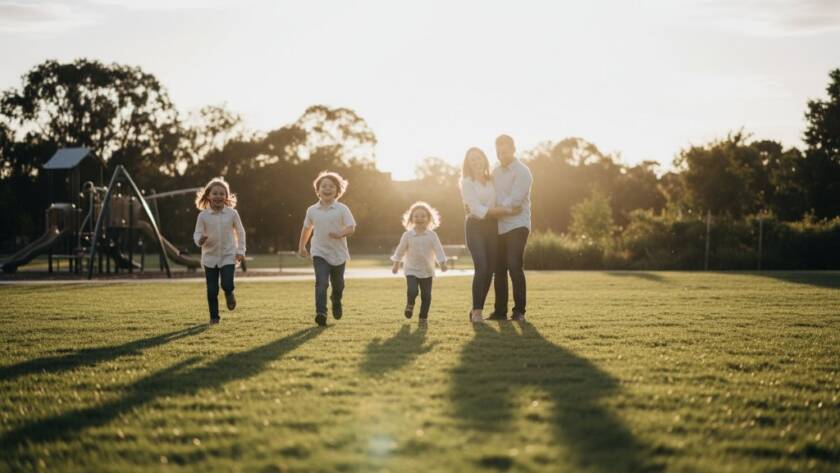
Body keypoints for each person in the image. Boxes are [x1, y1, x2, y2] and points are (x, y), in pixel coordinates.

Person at [459, 147, 521, 323]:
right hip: (475, 227)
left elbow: (503, 195)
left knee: (490, 270)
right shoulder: (466, 182)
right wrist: (506, 210)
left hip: (492, 227)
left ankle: (475, 308)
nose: (476, 162)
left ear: (485, 160)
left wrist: (509, 207)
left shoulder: (492, 179)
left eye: (478, 158)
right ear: (468, 164)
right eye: (472, 160)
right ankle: (478, 312)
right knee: (481, 266)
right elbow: (476, 209)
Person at [298, 171, 356, 327]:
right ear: (318, 190)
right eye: (324, 186)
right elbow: (307, 229)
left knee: (338, 285)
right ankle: (321, 313)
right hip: (319, 252)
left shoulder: (342, 209)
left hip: (339, 254)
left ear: (337, 191)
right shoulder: (312, 210)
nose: (327, 188)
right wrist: (302, 246)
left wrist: (340, 234)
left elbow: (351, 227)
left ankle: (336, 300)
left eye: (331, 186)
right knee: (321, 282)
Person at [490, 135, 532, 321]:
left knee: (514, 266)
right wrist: (496, 211)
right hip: (499, 226)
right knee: (499, 269)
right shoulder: (495, 172)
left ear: (513, 149)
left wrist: (494, 211)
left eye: (505, 150)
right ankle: (499, 312)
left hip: (518, 225)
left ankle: (519, 311)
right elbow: (495, 199)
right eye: (498, 151)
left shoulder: (523, 172)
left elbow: (515, 201)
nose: (501, 154)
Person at [193, 177, 246, 325]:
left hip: (228, 255)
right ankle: (214, 317)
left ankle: (229, 293)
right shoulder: (203, 216)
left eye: (222, 194)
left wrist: (240, 250)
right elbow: (197, 234)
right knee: (212, 290)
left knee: (227, 284)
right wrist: (200, 240)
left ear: (226, 197)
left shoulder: (232, 214)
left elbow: (241, 232)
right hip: (210, 258)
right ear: (208, 195)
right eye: (215, 193)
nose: (218, 196)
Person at [391, 201, 448, 324]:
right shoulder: (407, 235)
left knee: (426, 296)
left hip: (427, 271)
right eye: (416, 216)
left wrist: (442, 263)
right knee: (412, 290)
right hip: (411, 269)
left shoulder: (432, 235)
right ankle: (410, 305)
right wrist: (396, 264)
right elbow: (400, 250)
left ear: (428, 218)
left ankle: (423, 317)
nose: (419, 218)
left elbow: (438, 249)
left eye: (423, 216)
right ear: (411, 218)